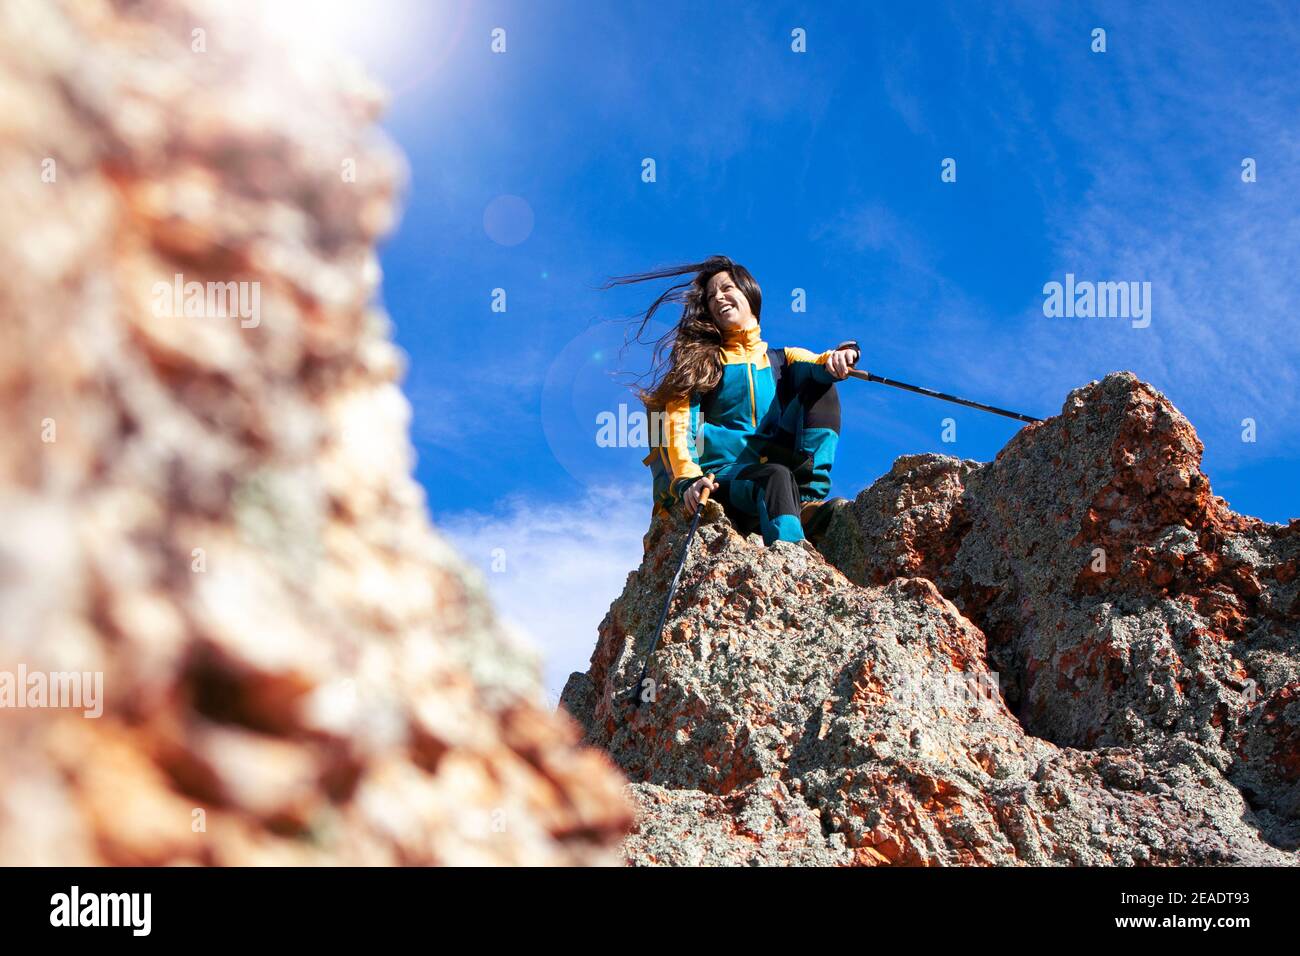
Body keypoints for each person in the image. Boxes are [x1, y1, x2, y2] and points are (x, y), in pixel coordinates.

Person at [604, 255, 857, 548]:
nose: (718, 298)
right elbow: (676, 425)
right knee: (773, 475)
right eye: (711, 296)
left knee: (822, 385)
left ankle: (808, 503)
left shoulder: (782, 359)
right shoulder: (700, 364)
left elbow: (822, 364)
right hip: (724, 480)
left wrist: (844, 354)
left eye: (727, 288)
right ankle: (792, 553)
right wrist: (688, 481)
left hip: (779, 474)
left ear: (749, 291)